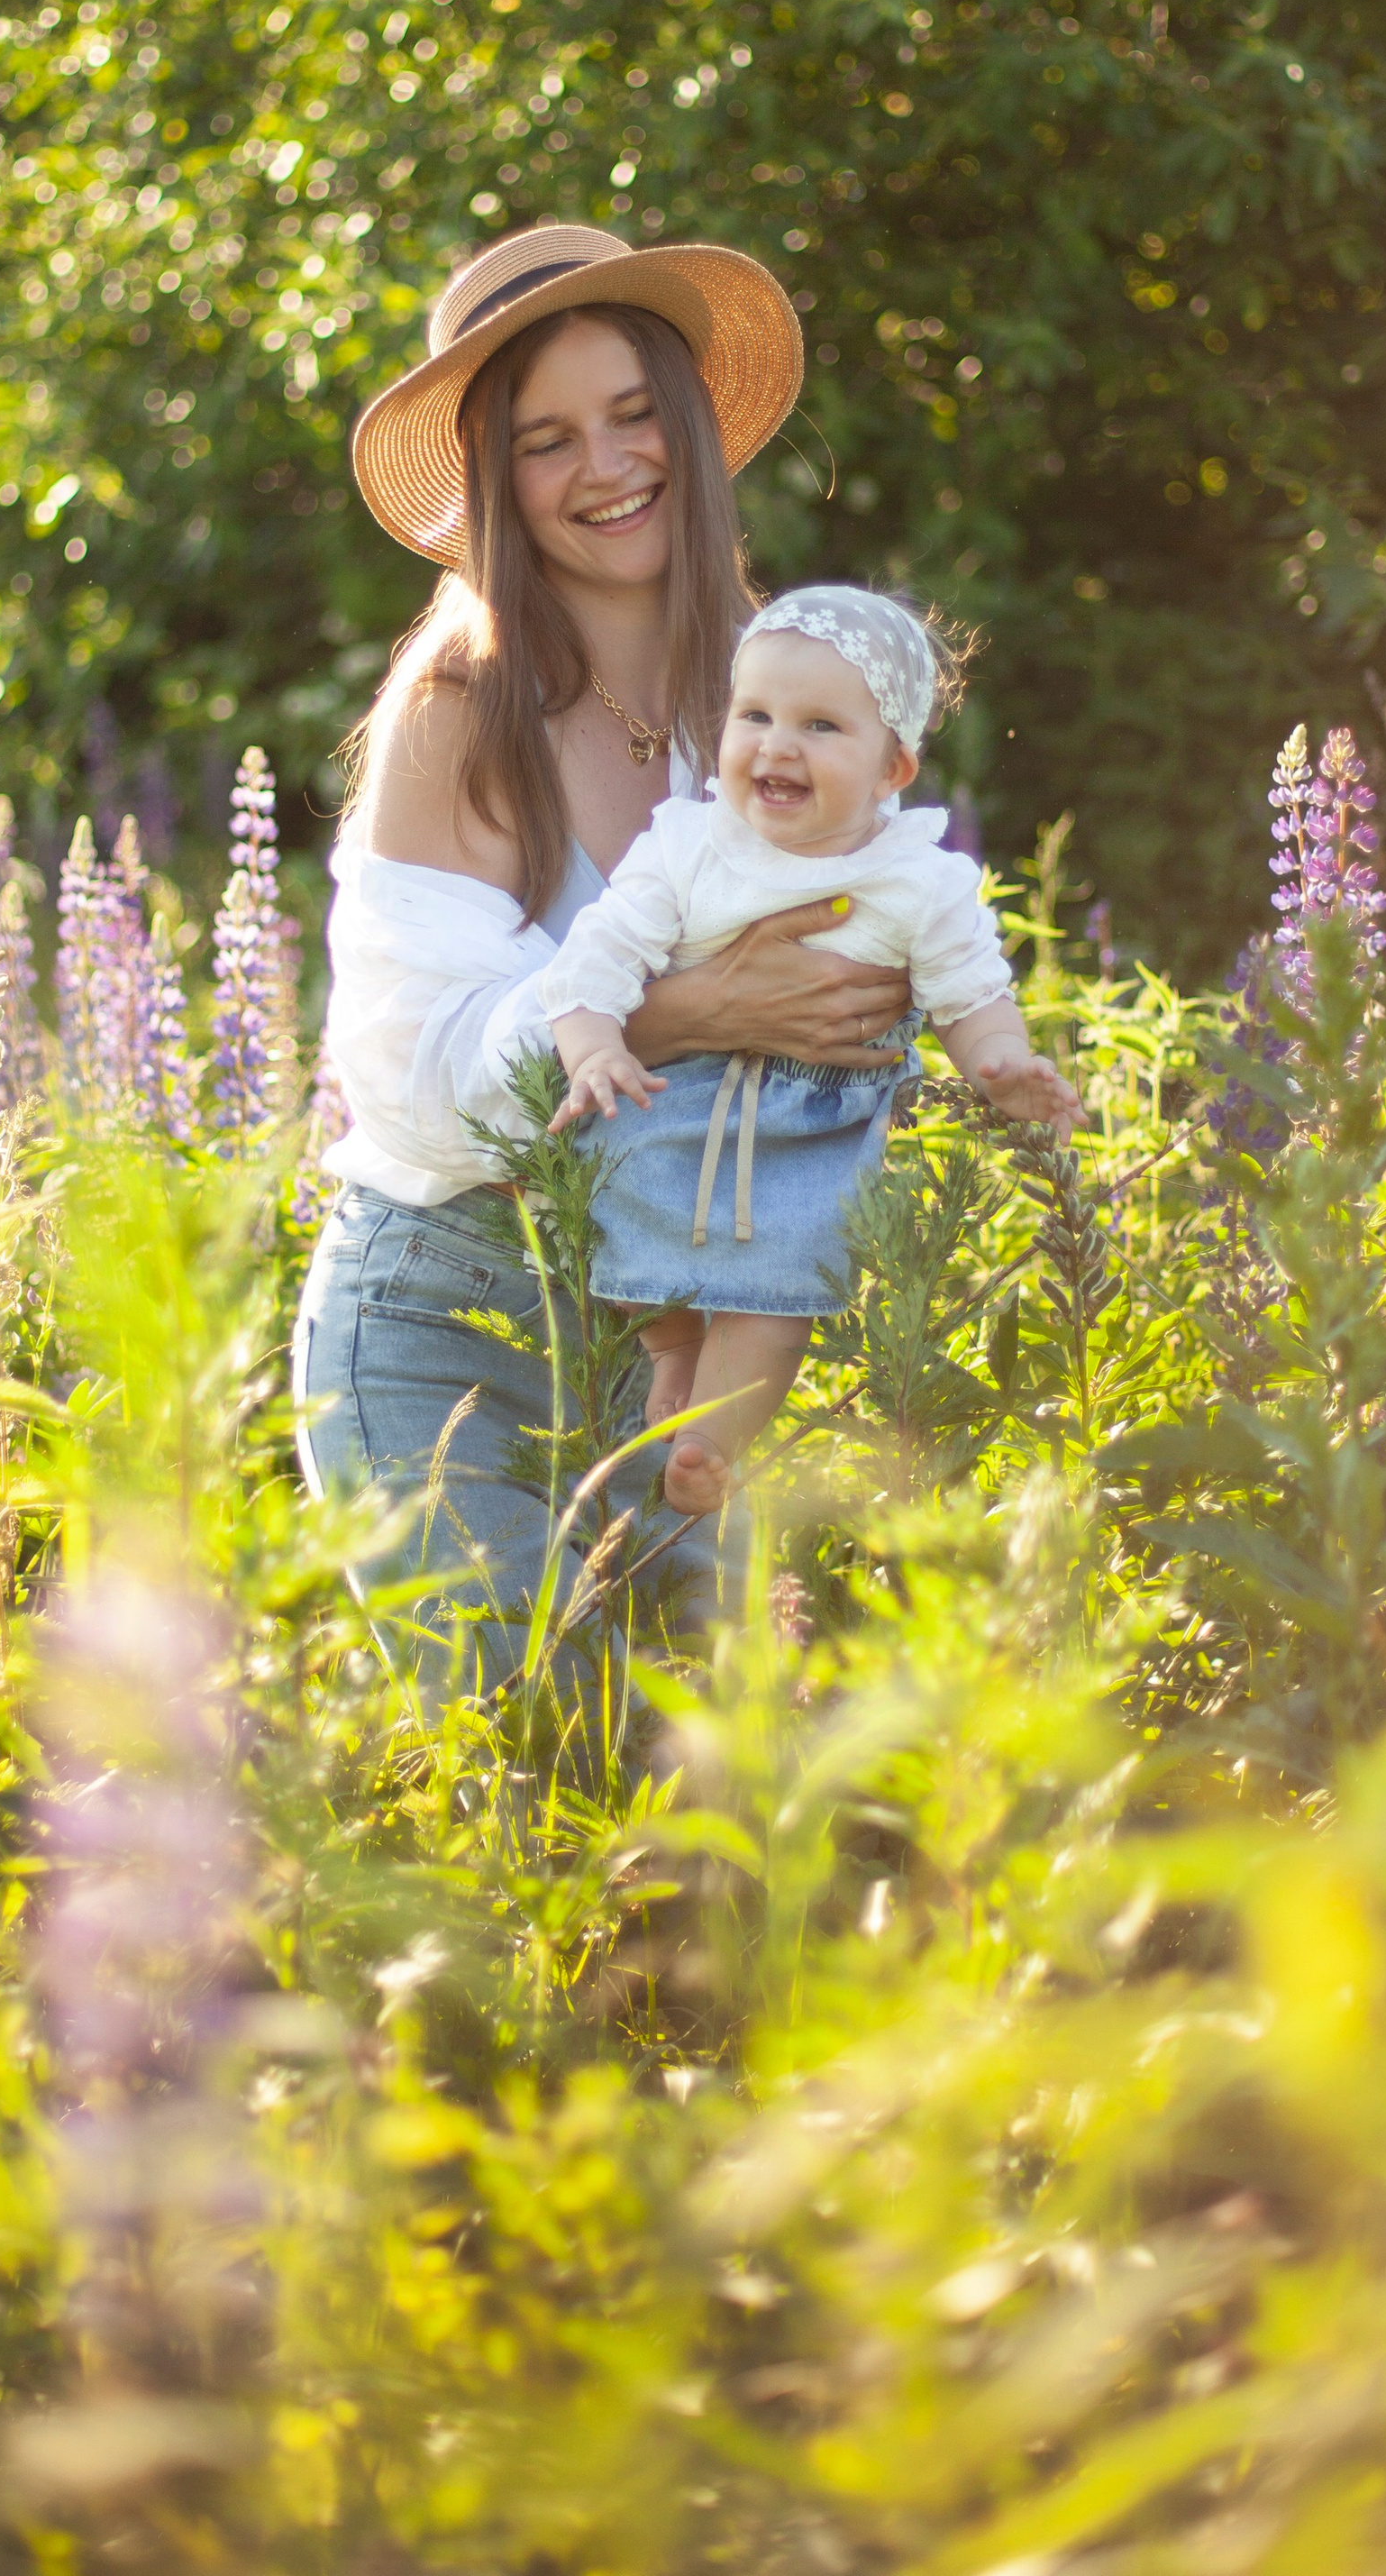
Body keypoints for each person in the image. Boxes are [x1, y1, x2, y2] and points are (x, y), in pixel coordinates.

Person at [293, 221, 916, 1687]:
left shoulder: (760, 694)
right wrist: (688, 1003)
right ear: (497, 487)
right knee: (536, 1772)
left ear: (690, 430)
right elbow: (426, 1096)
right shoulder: (464, 702)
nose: (608, 466)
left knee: (704, 1837)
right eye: (548, 440)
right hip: (441, 1328)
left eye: (635, 415)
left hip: (666, 1351)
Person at [537, 587, 1086, 1517]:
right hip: (670, 1090)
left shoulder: (918, 880)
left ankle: (713, 1439)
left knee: (778, 1291)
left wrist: (1001, 1065)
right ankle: (671, 1350)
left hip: (811, 1128)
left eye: (821, 726)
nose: (776, 745)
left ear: (892, 765)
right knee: (617, 1215)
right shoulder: (688, 846)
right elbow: (600, 954)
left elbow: (972, 993)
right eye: (754, 715)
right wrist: (592, 1047)